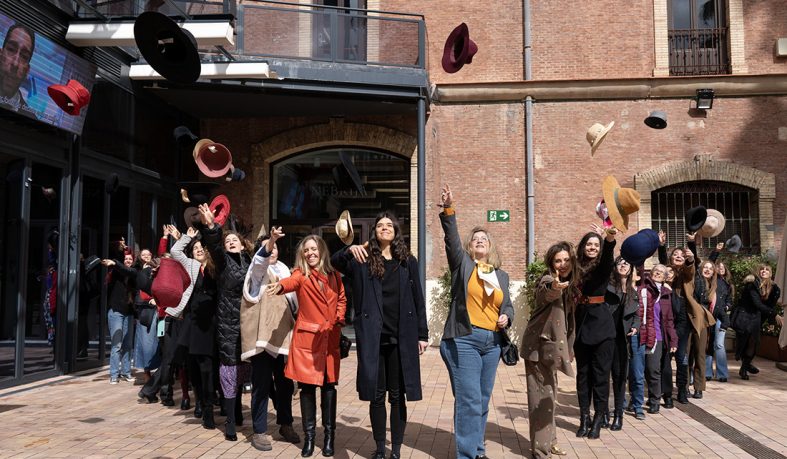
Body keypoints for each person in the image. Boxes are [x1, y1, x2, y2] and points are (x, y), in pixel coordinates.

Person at [331, 211, 428, 459]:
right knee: (376, 394)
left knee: (397, 395)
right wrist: (350, 249)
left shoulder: (408, 261)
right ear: (374, 232)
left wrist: (422, 334)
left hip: (401, 336)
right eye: (380, 225)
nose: (384, 228)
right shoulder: (362, 260)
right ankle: (380, 448)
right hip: (374, 337)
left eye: (389, 225)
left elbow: (418, 300)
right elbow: (334, 262)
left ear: (396, 231)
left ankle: (395, 450)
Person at [437, 184, 514, 459]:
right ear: (470, 247)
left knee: (480, 400)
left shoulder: (500, 275)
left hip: (492, 344)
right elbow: (451, 239)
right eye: (475, 239)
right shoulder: (463, 265)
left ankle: (477, 449)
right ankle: (467, 455)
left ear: (490, 246)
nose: (480, 240)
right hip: (465, 340)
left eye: (484, 238)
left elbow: (508, 306)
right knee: (469, 400)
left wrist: (507, 317)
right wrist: (449, 209)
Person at [267, 234, 347, 458]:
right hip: (307, 342)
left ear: (321, 251)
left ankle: (329, 438)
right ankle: (310, 438)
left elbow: (341, 299)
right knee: (307, 389)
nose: (310, 253)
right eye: (306, 250)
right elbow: (290, 283)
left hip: (329, 338)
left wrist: (339, 318)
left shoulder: (334, 276)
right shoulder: (300, 275)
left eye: (314, 249)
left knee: (329, 388)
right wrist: (280, 287)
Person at [199, 204, 253, 443]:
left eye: (235, 240)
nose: (231, 242)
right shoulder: (222, 263)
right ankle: (230, 421)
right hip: (228, 324)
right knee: (230, 369)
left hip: (249, 323)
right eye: (228, 240)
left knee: (244, 368)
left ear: (243, 244)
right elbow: (214, 246)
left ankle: (238, 409)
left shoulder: (251, 262)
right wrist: (212, 226)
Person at [243, 226, 301, 451]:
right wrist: (270, 241)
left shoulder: (285, 269)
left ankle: (285, 423)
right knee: (261, 384)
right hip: (262, 337)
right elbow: (259, 264)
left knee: (285, 384)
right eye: (269, 245)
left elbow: (294, 300)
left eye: (276, 246)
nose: (273, 249)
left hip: (284, 335)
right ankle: (259, 430)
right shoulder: (257, 270)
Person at [521, 242, 576, 458]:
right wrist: (554, 287)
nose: (562, 264)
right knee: (541, 398)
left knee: (549, 395)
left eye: (565, 260)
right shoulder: (547, 280)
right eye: (557, 260)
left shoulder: (571, 283)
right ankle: (541, 451)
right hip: (538, 348)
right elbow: (546, 293)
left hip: (552, 349)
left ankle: (550, 442)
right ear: (551, 263)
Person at [573, 224, 617, 440]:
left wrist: (607, 239)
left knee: (600, 377)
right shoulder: (575, 267)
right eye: (589, 244)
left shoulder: (602, 266)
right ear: (583, 247)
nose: (592, 247)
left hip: (601, 327)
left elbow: (608, 258)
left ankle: (598, 418)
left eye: (595, 245)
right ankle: (584, 418)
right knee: (583, 377)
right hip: (581, 325)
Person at [628, 264, 677, 419]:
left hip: (658, 337)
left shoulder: (667, 293)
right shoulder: (643, 288)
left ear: (665, 276)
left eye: (662, 272)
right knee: (637, 370)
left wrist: (673, 340)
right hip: (641, 334)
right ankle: (635, 399)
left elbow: (669, 319)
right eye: (656, 270)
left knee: (653, 369)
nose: (658, 273)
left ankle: (654, 400)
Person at [604, 256, 640, 430]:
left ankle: (618, 415)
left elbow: (636, 315)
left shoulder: (634, 292)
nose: (623, 265)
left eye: (627, 262)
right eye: (620, 262)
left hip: (622, 341)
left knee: (619, 379)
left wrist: (635, 326)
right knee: (603, 377)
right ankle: (603, 412)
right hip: (605, 338)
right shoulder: (608, 286)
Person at [733, 264, 781, 380]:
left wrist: (769, 321)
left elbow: (770, 305)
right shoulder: (752, 284)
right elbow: (757, 304)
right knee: (744, 342)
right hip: (745, 316)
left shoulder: (774, 288)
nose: (764, 271)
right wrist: (774, 315)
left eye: (767, 270)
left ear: (770, 273)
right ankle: (746, 364)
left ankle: (744, 367)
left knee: (754, 342)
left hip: (757, 318)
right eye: (762, 269)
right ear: (758, 272)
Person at [101, 240, 137, 384]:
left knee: (128, 345)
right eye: (126, 259)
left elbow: (127, 270)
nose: (128, 261)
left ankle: (126, 372)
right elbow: (117, 264)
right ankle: (114, 374)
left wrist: (120, 258)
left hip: (128, 313)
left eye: (130, 259)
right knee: (117, 344)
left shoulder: (134, 273)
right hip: (116, 312)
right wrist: (119, 249)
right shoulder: (116, 272)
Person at [0, 23, 35, 112]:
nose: (15, 63)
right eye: (11, 49)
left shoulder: (30, 120)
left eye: (24, 56)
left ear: (27, 70)